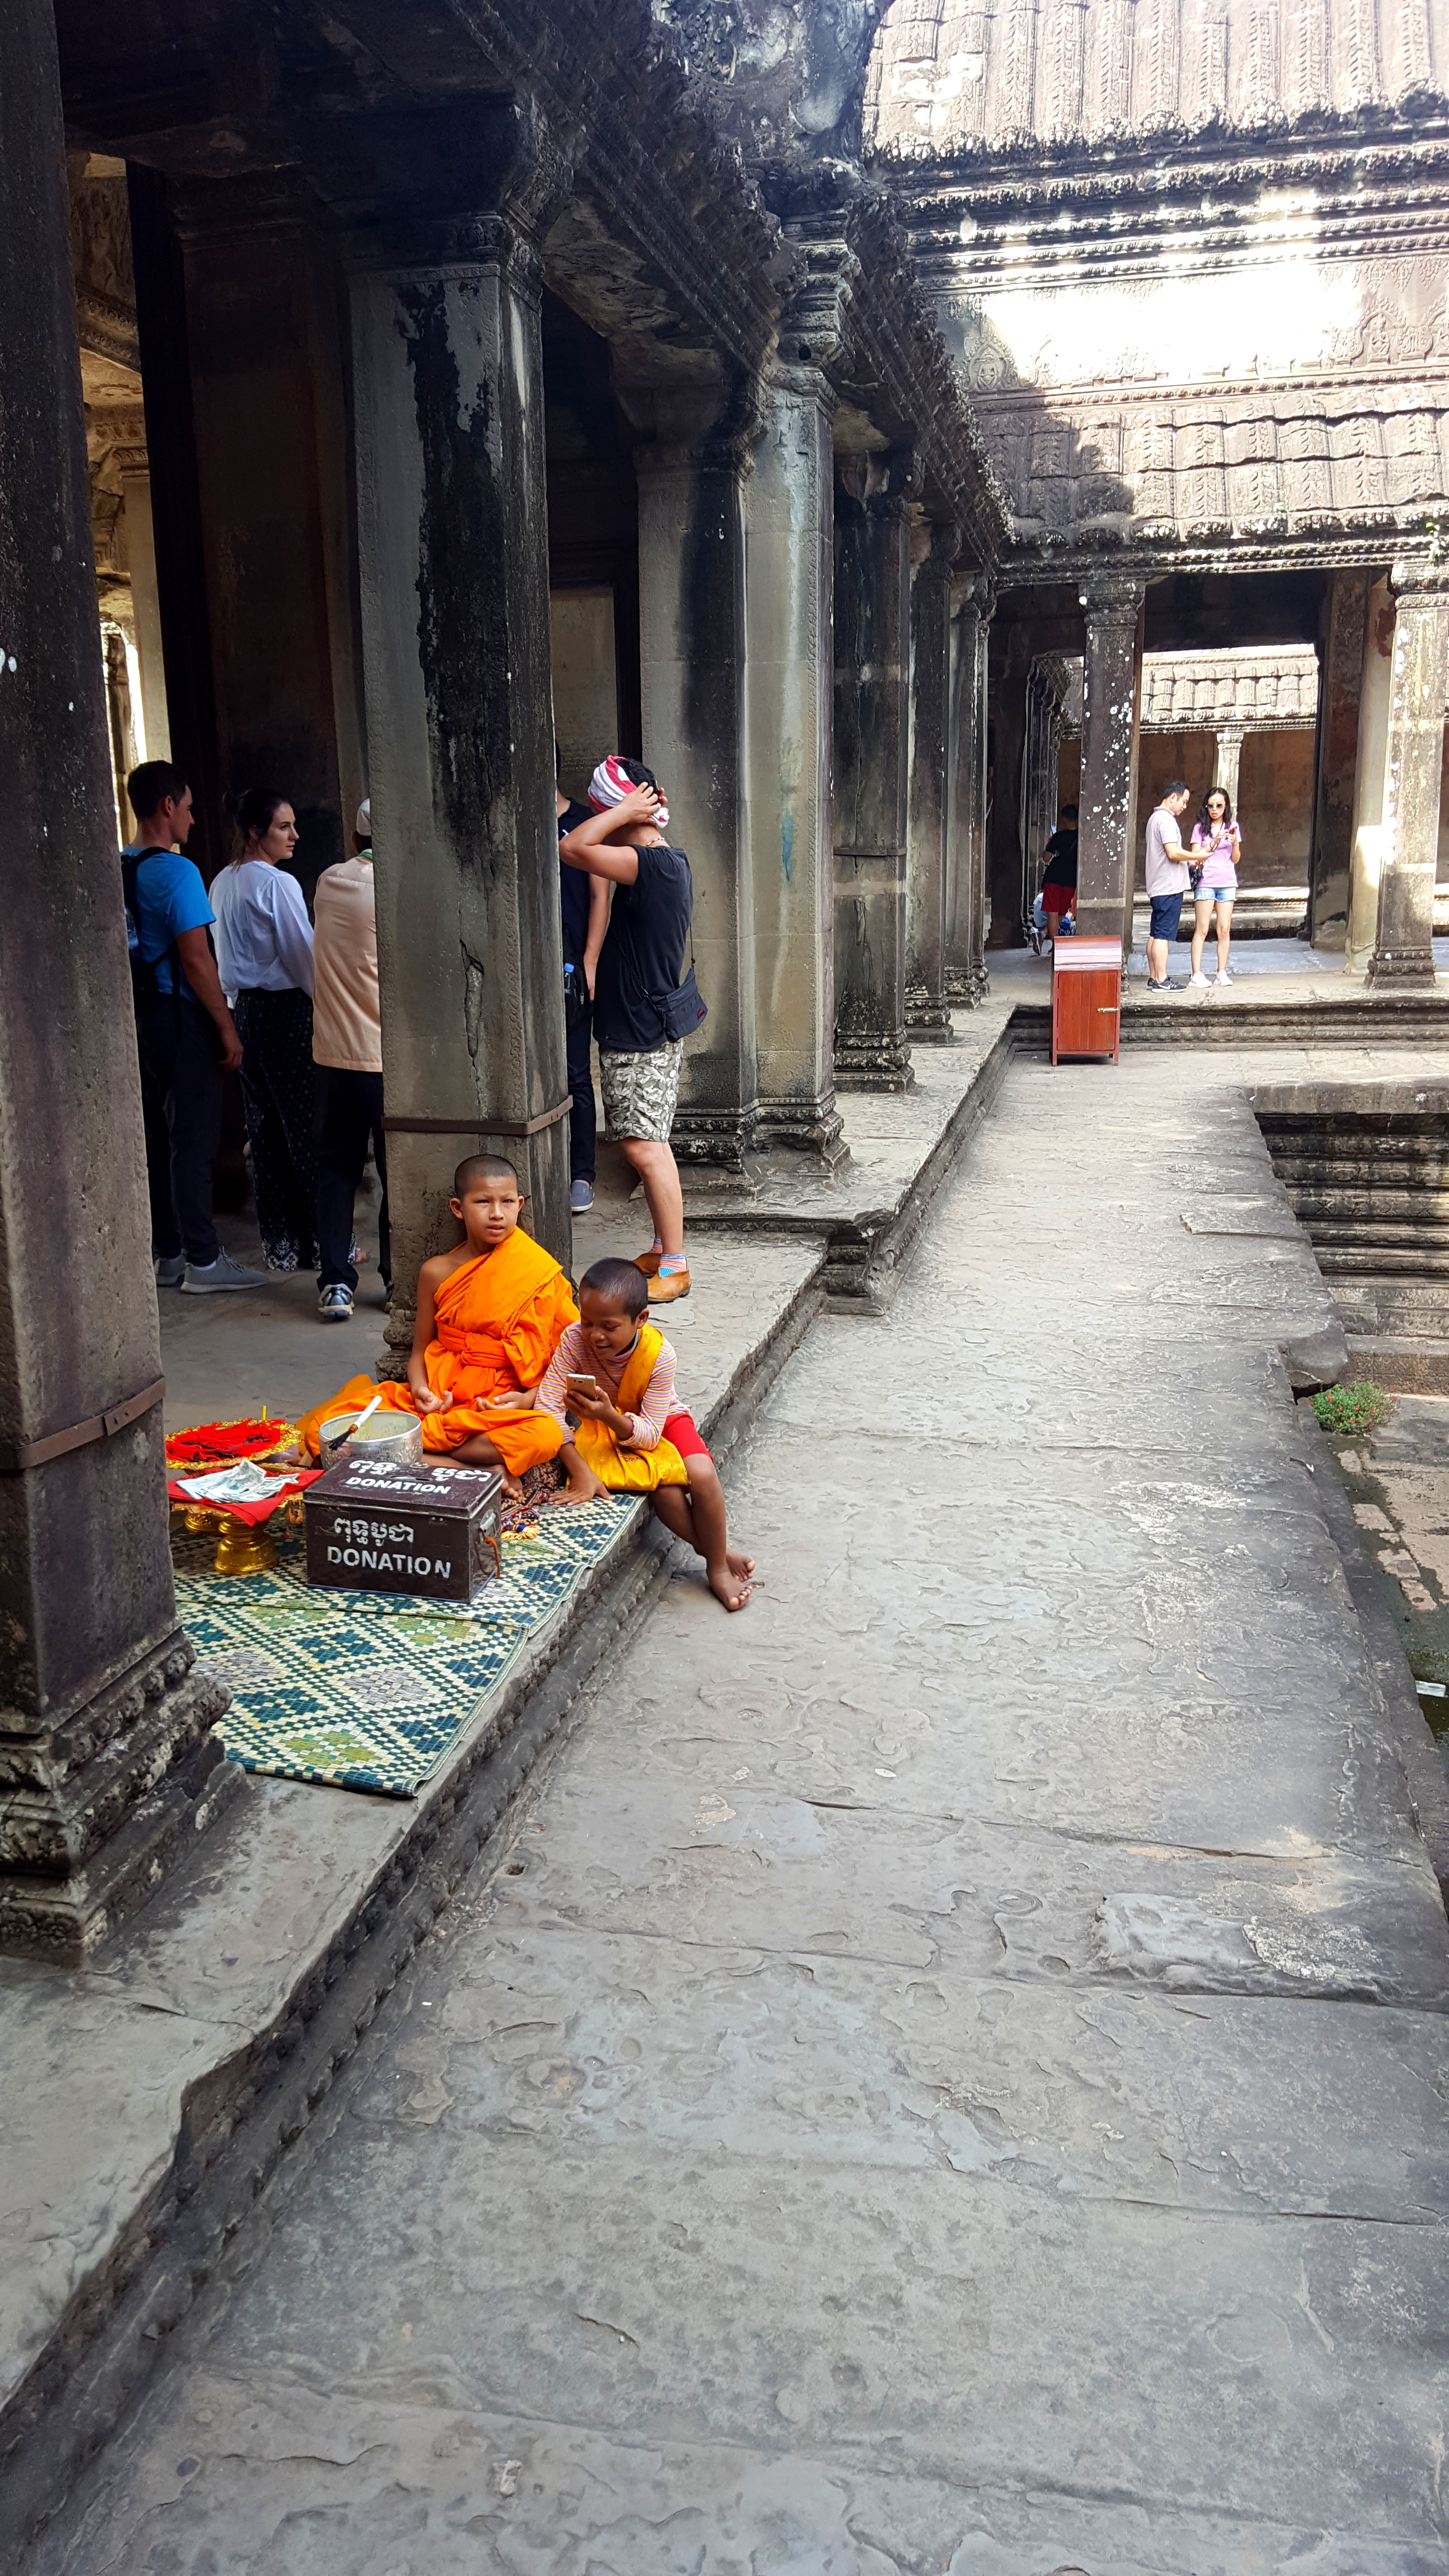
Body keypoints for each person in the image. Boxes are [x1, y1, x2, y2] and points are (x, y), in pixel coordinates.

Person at [301, 1155, 575, 1498]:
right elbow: (419, 1352)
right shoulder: (436, 1271)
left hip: (497, 1407)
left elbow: (568, 1358)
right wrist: (421, 1392)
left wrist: (526, 1400)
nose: (496, 1214)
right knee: (329, 1428)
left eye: (507, 1202)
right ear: (458, 1208)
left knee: (545, 1435)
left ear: (519, 1205)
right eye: (483, 1202)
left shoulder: (535, 1269)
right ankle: (471, 1470)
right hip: (441, 1399)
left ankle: (413, 1455)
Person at [559, 757, 701, 1305]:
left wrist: (618, 811)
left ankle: (676, 1263)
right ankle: (664, 1247)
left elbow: (572, 848)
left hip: (641, 1027)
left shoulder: (654, 864)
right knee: (648, 1141)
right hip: (644, 1021)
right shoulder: (658, 862)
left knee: (645, 1148)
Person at [537, 1257, 755, 1611]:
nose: (595, 1335)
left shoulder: (660, 1355)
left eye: (608, 1326)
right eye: (588, 1321)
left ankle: (716, 1567)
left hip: (659, 1421)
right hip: (599, 1427)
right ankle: (715, 1551)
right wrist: (578, 1465)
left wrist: (611, 1414)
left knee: (701, 1474)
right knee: (665, 1495)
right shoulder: (574, 1340)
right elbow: (546, 1408)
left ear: (641, 1320)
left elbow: (652, 1434)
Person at [122, 758, 265, 1294]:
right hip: (181, 1014)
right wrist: (226, 1027)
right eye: (185, 807)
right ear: (166, 806)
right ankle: (204, 1260)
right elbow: (197, 958)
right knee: (194, 1139)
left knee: (158, 1140)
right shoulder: (177, 871)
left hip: (142, 1017)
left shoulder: (121, 864)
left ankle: (171, 1253)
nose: (192, 819)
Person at [211, 789, 318, 1273]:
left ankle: (281, 1244)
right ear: (256, 832)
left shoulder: (222, 882)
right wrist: (325, 1006)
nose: (294, 835)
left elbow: (225, 961)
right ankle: (321, 1241)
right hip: (285, 1012)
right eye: (283, 827)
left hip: (245, 1012)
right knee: (304, 1128)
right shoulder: (277, 884)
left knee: (266, 1131)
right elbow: (303, 958)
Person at [313, 798, 389, 1321]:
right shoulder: (392, 892)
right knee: (394, 1173)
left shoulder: (328, 883)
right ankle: (394, 1278)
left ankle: (336, 1282)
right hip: (383, 1057)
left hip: (332, 1053)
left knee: (336, 1172)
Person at [558, 755, 611, 1216]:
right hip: (530, 967)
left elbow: (600, 896)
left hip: (575, 965)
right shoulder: (516, 823)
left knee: (577, 1072)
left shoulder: (582, 823)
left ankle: (581, 1173)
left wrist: (591, 961)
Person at [1188, 787, 1242, 988]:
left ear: (1226, 806)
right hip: (1206, 882)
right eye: (1211, 806)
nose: (1215, 810)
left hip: (1227, 882)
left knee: (1224, 930)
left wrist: (1235, 843)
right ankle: (1196, 973)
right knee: (1202, 929)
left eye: (1219, 806)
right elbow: (1195, 858)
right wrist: (1213, 844)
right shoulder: (1200, 829)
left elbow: (1235, 859)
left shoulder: (1233, 826)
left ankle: (1221, 972)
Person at [1144, 782, 1194, 993]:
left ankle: (1154, 977)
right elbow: (1173, 853)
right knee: (1163, 935)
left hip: (1159, 886)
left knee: (1156, 934)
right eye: (1184, 801)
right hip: (1168, 886)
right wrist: (1196, 856)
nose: (1184, 806)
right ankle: (1162, 979)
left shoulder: (1155, 818)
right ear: (1173, 797)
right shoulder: (1165, 820)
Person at [1039, 801, 1079, 949]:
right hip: (1071, 879)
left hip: (1054, 878)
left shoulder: (1058, 837)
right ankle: (1046, 936)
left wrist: (1049, 844)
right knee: (1062, 913)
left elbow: (1046, 858)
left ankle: (1054, 945)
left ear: (1064, 819)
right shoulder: (1082, 837)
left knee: (1053, 913)